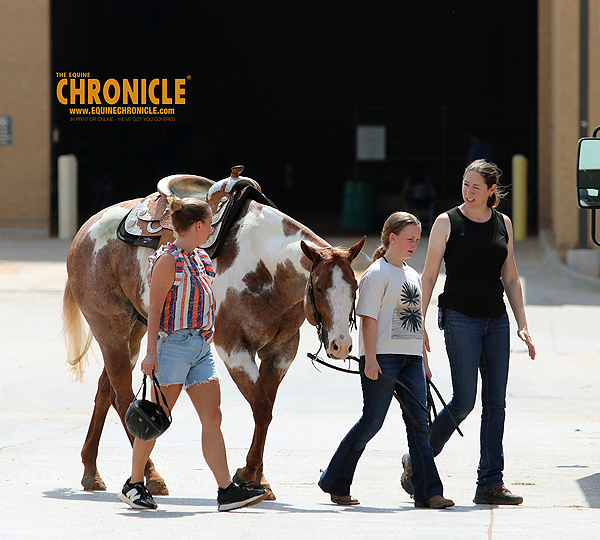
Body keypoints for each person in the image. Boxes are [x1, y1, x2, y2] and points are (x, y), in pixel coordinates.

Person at [118, 196, 267, 512]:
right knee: (155, 419)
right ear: (198, 226)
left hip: (201, 347)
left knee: (213, 418)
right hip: (173, 347)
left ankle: (226, 490)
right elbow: (154, 308)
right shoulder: (167, 260)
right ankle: (134, 483)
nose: (212, 228)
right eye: (210, 223)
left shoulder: (201, 258)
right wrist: (150, 354)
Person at [402, 159, 536, 505]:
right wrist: (418, 323)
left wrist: (522, 324)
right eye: (465, 184)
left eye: (476, 187)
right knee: (464, 399)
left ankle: (490, 483)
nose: (469, 191)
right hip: (460, 317)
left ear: (492, 191)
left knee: (496, 404)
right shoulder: (447, 222)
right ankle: (418, 461)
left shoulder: (503, 223)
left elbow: (511, 277)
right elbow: (429, 276)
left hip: (496, 320)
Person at [318, 212, 454, 509]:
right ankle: (335, 481)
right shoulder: (375, 274)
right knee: (372, 422)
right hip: (382, 359)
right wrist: (370, 359)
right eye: (409, 239)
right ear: (392, 238)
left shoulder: (412, 275)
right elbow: (368, 319)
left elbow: (416, 323)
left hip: (411, 360)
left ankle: (429, 492)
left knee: (420, 426)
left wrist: (423, 361)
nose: (415, 244)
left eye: (417, 239)